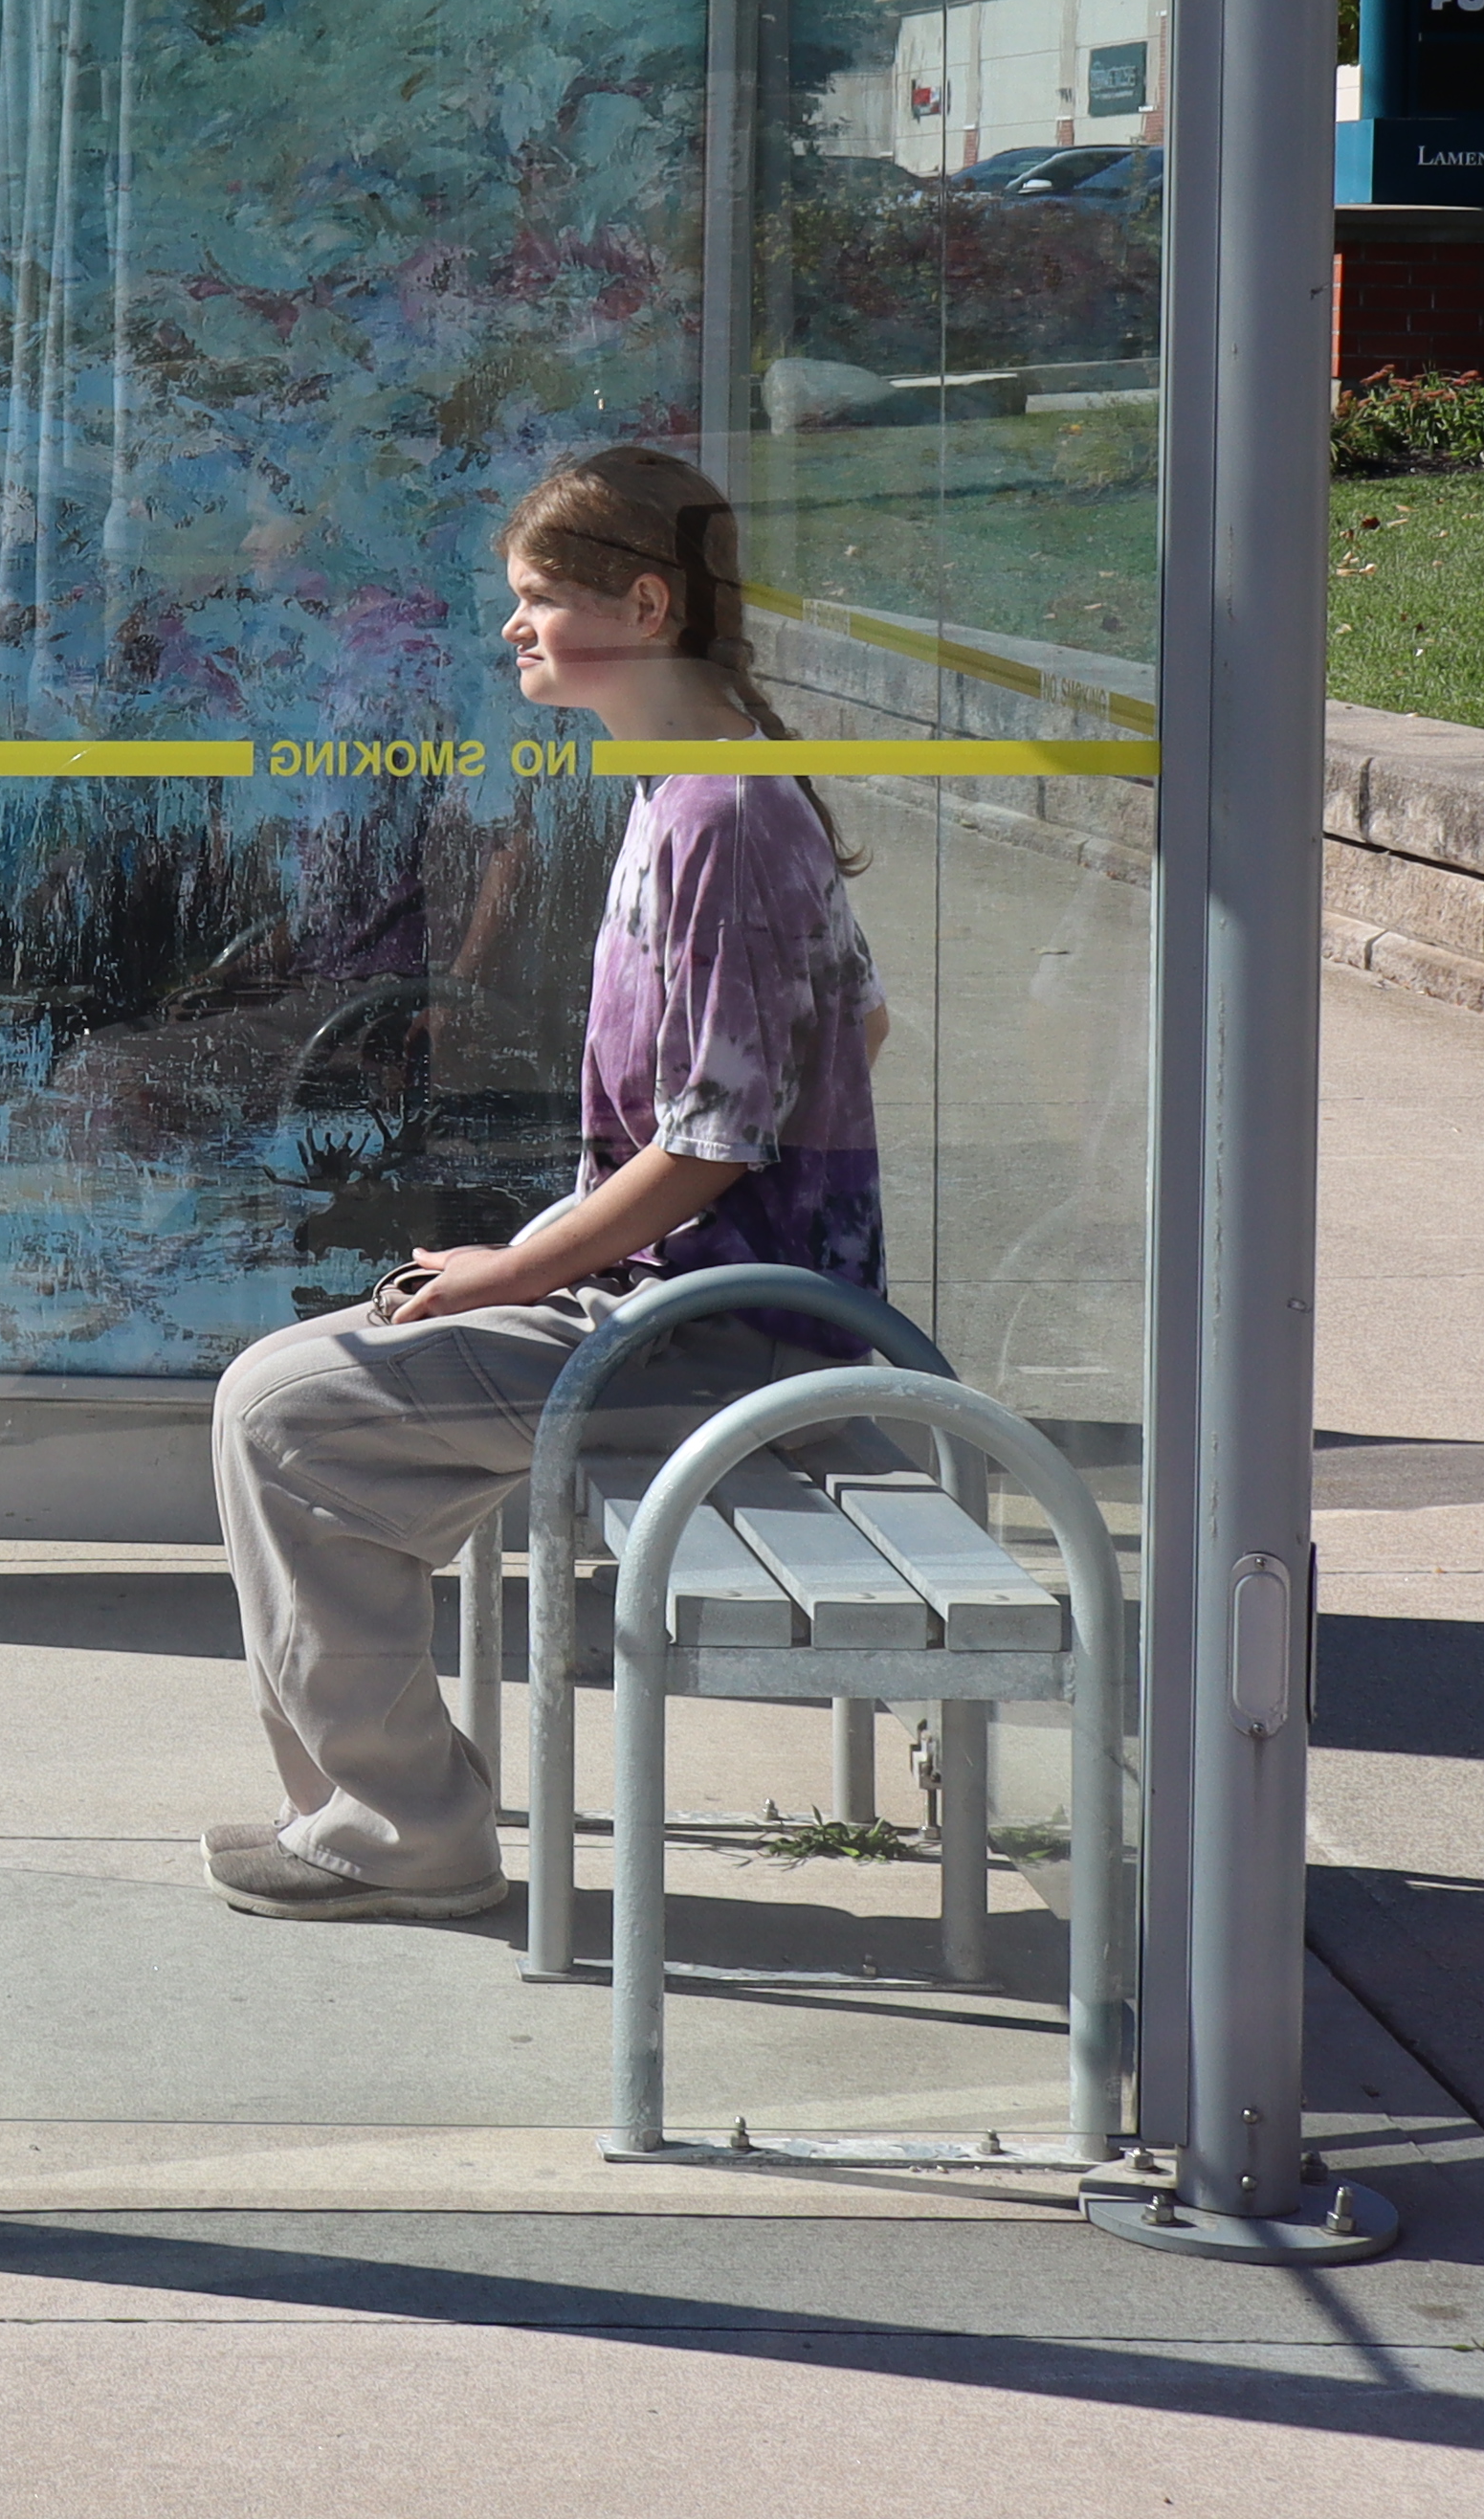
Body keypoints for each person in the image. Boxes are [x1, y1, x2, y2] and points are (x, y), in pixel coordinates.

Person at [202, 443, 889, 1925]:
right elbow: (855, 1024)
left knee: (284, 1415)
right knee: (311, 1403)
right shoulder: (695, 797)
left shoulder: (714, 817)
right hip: (693, 1308)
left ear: (643, 604)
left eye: (534, 599)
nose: (511, 629)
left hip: (724, 1333)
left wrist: (512, 1271)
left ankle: (400, 1835)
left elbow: (713, 1139)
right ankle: (378, 1811)